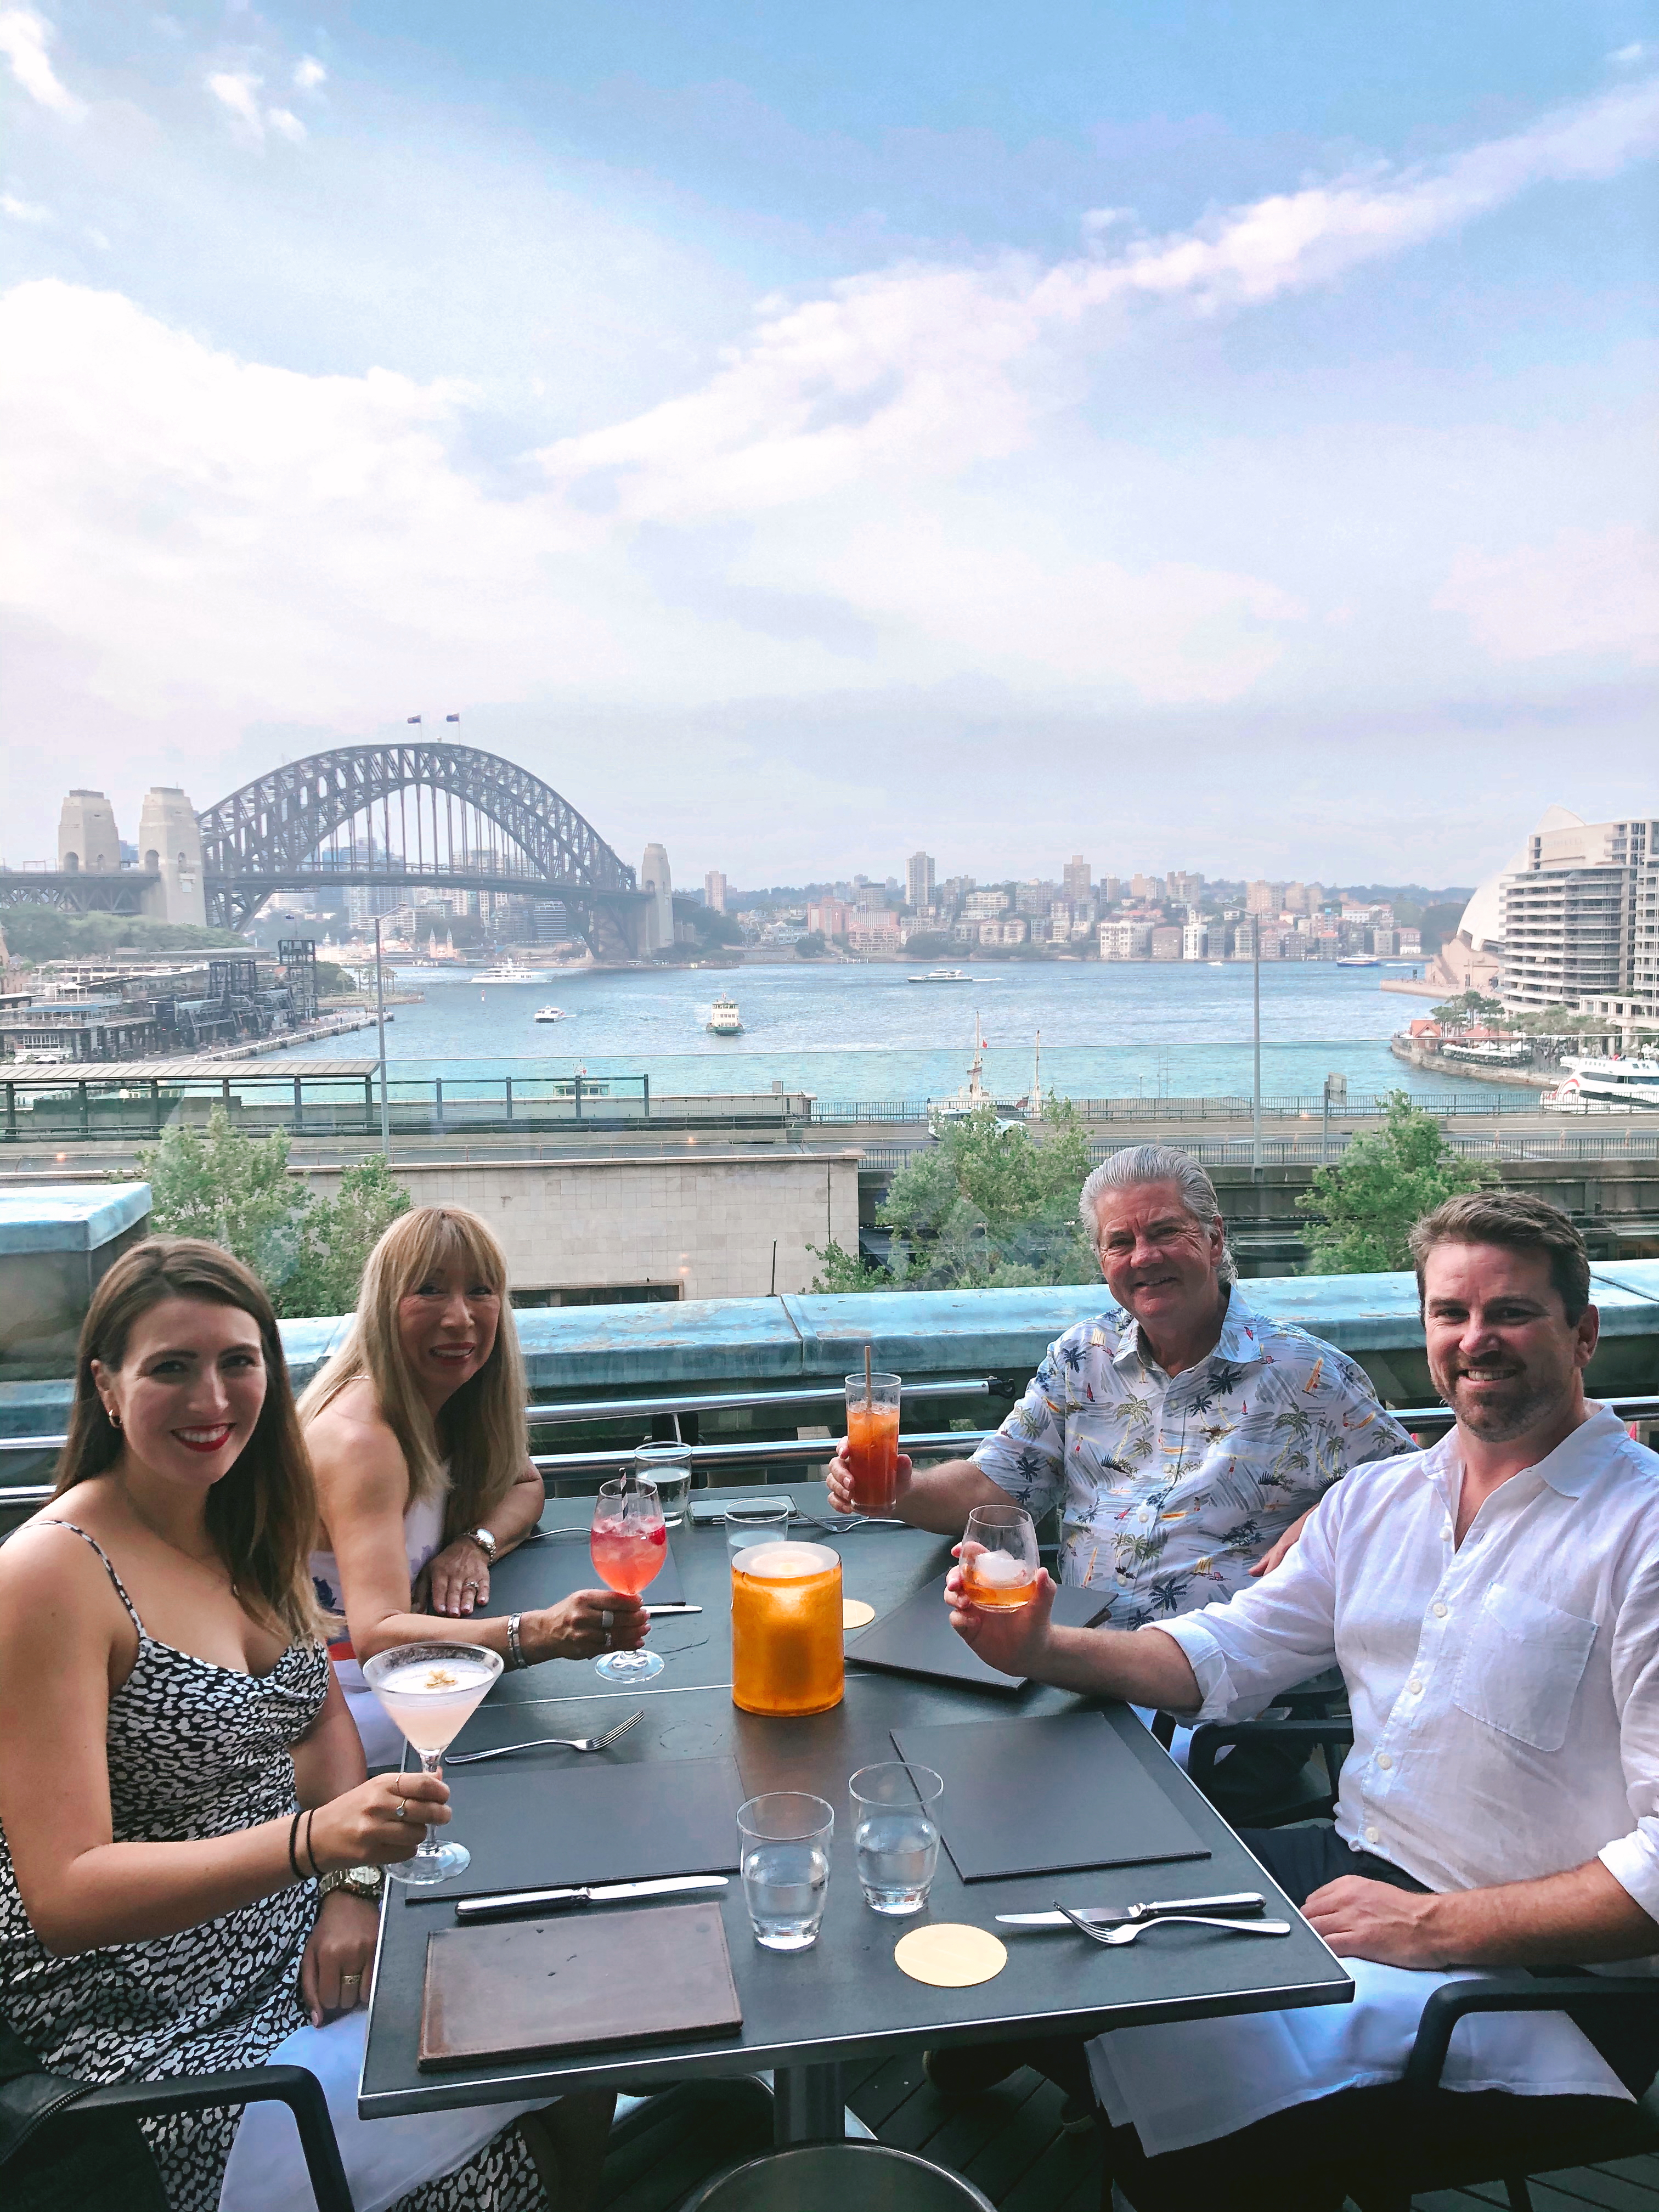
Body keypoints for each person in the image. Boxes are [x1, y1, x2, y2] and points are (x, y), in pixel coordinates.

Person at [943, 1191, 1659, 2210]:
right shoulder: (1380, 1501)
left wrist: (1432, 1927)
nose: (1475, 1339)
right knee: (1044, 1923)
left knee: (1186, 2103)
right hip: (1356, 1870)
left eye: (1511, 1313)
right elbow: (1223, 1654)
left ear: (1581, 1333)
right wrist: (1042, 1646)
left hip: (1548, 1987)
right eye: (1450, 1313)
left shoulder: (1640, 1536)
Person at [0, 1237, 613, 2212]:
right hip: (164, 2040)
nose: (212, 1399)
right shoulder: (53, 1573)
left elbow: (324, 1734)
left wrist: (353, 1885)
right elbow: (65, 1893)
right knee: (588, 2034)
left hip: (311, 1951)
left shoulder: (247, 1522)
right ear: (106, 1387)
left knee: (599, 1982)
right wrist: (310, 1843)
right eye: (170, 1367)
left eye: (238, 1363)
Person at [828, 1143, 1410, 1624]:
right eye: (1121, 1242)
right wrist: (901, 1491)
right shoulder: (1084, 1357)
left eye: (1165, 1232)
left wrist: (1336, 1515)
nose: (1143, 1257)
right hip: (1076, 1664)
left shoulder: (1305, 1374)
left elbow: (1421, 1493)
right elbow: (997, 1487)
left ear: (1214, 1239)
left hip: (1220, 1696)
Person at [301, 1205, 647, 1764]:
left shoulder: (440, 1406)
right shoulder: (363, 1440)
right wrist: (541, 1633)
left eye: (480, 1290)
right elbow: (377, 1638)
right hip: (346, 1720)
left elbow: (524, 1482)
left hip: (423, 1686)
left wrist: (473, 1545)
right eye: (431, 1290)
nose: (460, 1317)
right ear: (384, 1307)